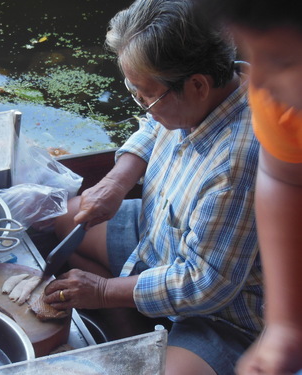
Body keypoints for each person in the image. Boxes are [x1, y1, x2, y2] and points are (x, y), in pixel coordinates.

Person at [42, 0, 263, 374]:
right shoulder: (197, 95)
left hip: (227, 312)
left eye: (146, 95)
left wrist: (102, 292)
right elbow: (154, 124)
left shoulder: (237, 164)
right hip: (160, 231)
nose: (144, 106)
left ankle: (132, 326)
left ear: (196, 85)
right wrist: (116, 182)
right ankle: (129, 328)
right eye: (134, 92)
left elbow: (204, 283)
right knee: (63, 219)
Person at [192, 1, 302, 374]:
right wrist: (285, 325)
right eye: (250, 54)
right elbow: (283, 177)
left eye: (282, 61)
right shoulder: (281, 101)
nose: (258, 82)